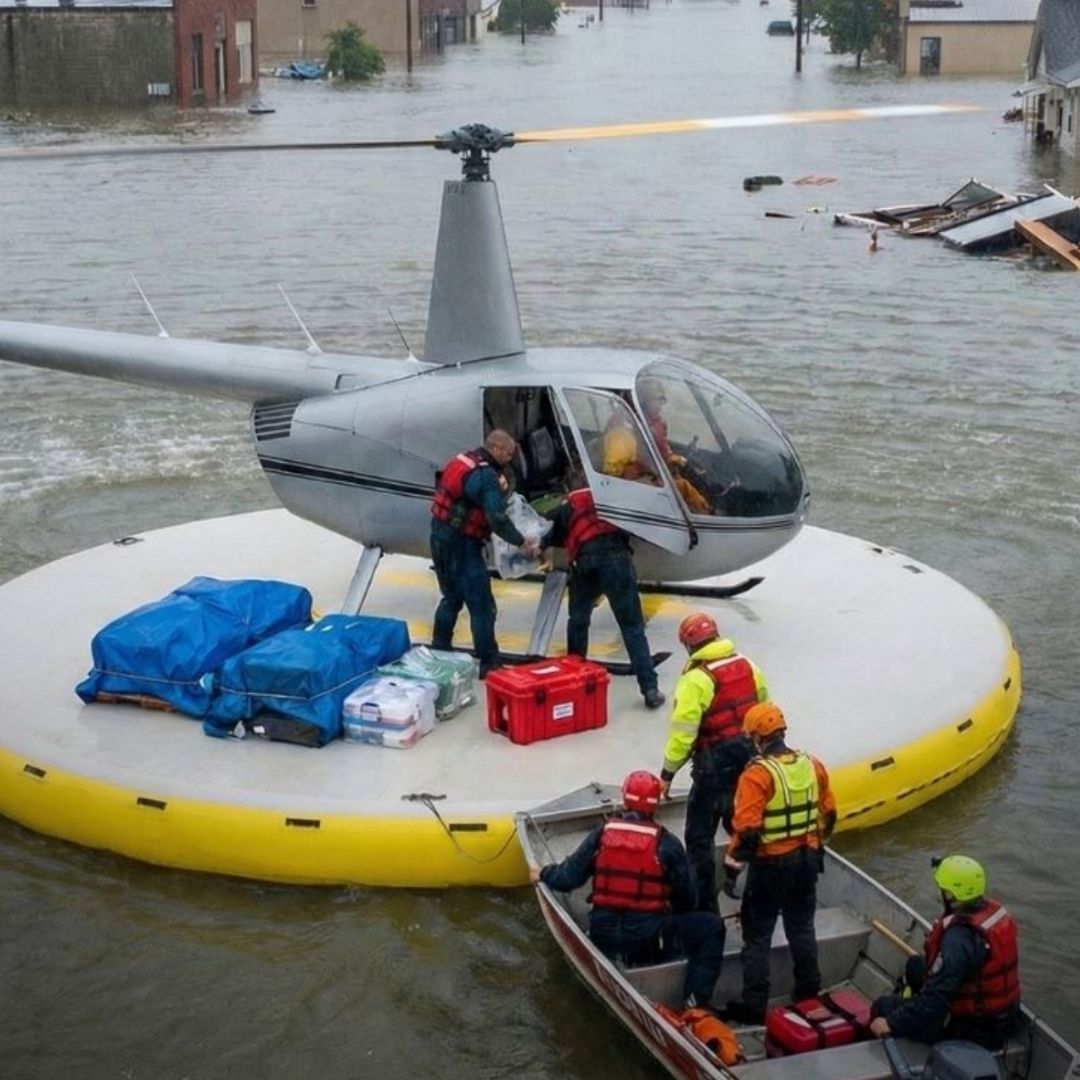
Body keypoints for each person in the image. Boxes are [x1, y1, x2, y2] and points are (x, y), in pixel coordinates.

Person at [530, 770, 727, 1010]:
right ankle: (695, 1003)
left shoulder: (602, 835)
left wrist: (542, 873)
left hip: (603, 934)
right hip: (647, 939)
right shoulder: (667, 844)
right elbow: (688, 896)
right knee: (712, 927)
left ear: (624, 800)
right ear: (656, 806)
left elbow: (567, 878)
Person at [720, 702, 836, 1024]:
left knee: (757, 937)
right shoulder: (812, 764)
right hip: (806, 861)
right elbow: (829, 814)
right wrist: (817, 846)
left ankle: (755, 1006)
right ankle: (809, 993)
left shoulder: (756, 776)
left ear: (757, 737)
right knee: (802, 929)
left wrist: (730, 872)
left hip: (771, 866)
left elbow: (747, 833)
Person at [659, 613, 767, 913]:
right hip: (748, 761)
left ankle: (705, 906)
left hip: (712, 769)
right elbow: (763, 711)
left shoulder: (695, 680)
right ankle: (744, 887)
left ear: (688, 645)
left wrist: (667, 774)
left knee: (698, 839)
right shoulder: (749, 665)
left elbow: (683, 735)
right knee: (743, 826)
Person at [869, 855, 1021, 1049]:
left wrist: (891, 1023)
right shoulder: (991, 916)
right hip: (1004, 1016)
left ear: (950, 895)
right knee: (915, 965)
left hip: (972, 1030)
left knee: (882, 1007)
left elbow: (934, 1003)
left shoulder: (958, 939)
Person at [544, 482, 664, 709]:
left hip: (585, 564)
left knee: (578, 621)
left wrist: (536, 546)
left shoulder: (569, 503)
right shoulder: (614, 496)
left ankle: (574, 680)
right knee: (632, 627)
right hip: (618, 562)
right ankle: (650, 688)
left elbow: (555, 538)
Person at [430, 429, 539, 677]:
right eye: (508, 453)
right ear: (496, 449)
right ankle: (489, 661)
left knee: (451, 598)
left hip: (439, 537)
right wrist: (521, 542)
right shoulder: (486, 476)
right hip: (463, 545)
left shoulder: (464, 460)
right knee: (482, 606)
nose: (510, 459)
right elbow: (497, 518)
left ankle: (439, 650)